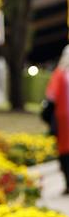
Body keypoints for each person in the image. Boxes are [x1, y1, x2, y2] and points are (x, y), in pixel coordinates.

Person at [45, 45, 69, 194]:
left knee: (65, 152)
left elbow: (51, 97)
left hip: (64, 119)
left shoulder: (60, 75)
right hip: (64, 119)